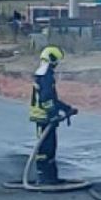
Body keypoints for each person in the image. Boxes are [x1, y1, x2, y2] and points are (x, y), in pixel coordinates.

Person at [28, 46, 78, 185]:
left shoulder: (44, 73)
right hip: (43, 118)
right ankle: (44, 177)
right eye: (56, 61)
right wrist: (52, 114)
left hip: (46, 117)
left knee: (51, 147)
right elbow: (46, 99)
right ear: (51, 59)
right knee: (45, 148)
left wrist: (66, 108)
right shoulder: (45, 75)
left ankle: (51, 177)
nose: (57, 65)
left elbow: (52, 99)